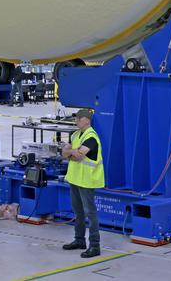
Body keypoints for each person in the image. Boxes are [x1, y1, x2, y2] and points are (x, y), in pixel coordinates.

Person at [61, 108, 103, 258]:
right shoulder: (75, 135)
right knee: (78, 212)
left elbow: (77, 156)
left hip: (87, 181)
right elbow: (64, 153)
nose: (76, 120)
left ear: (86, 120)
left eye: (78, 118)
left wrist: (71, 151)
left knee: (90, 214)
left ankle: (95, 245)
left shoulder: (91, 137)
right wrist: (73, 151)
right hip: (75, 179)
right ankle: (79, 240)